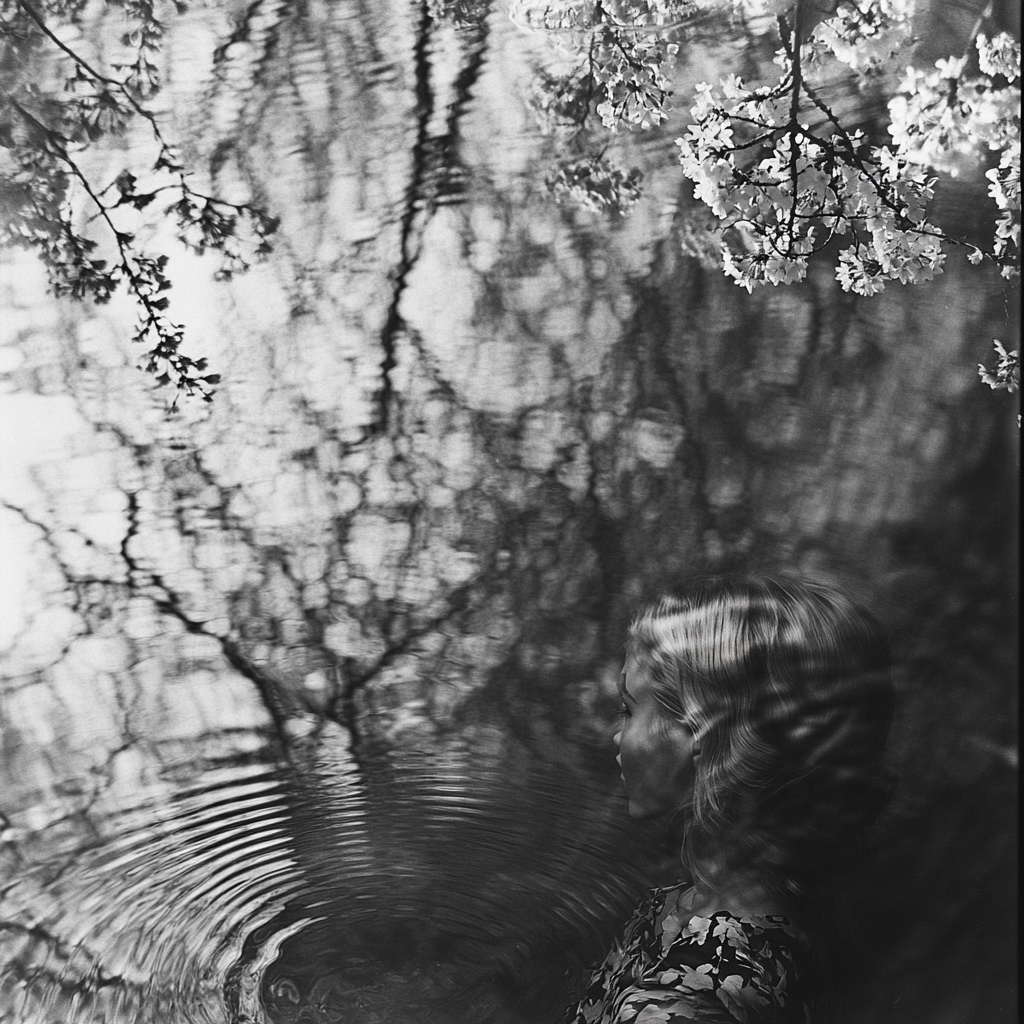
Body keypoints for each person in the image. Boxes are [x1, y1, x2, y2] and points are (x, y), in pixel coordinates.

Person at [566, 574, 895, 1024]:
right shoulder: (795, 917)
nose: (616, 734)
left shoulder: (683, 1006)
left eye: (629, 708)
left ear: (702, 734)